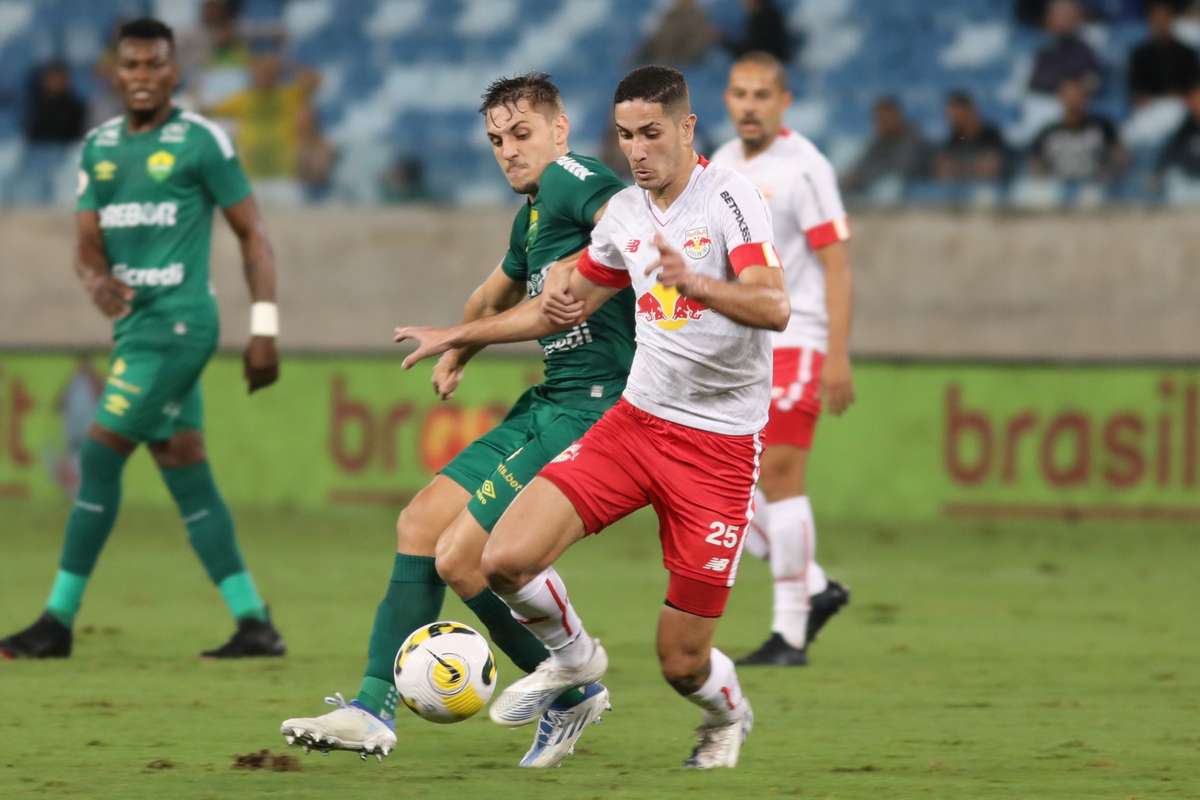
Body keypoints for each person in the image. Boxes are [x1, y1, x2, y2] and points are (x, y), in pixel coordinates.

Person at [394, 65, 789, 769]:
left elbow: (773, 306)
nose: (637, 151)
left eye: (652, 134)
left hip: (719, 451)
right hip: (637, 424)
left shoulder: (731, 198)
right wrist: (458, 337)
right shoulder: (630, 216)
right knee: (504, 558)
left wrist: (696, 282)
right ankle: (576, 662)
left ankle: (728, 716)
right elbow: (563, 303)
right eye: (627, 136)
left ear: (687, 129)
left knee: (681, 660)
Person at [279, 73, 635, 769]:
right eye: (496, 140)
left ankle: (569, 689)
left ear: (560, 129)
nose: (508, 150)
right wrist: (461, 344)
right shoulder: (532, 214)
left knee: (460, 557)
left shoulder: (572, 176)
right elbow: (492, 292)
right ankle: (372, 708)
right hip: (549, 401)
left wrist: (609, 267)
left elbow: (628, 214)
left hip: (598, 408)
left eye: (522, 133)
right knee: (420, 524)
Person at [0, 18, 284, 660]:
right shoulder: (98, 149)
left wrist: (263, 327)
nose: (142, 77)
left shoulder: (201, 141)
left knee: (99, 457)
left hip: (181, 325)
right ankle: (253, 622)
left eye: (155, 65)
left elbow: (253, 233)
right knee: (184, 465)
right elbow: (85, 246)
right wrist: (94, 279)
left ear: (174, 71)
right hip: (135, 330)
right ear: (115, 71)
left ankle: (57, 622)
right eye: (131, 65)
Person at [710, 51, 852, 667]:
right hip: (742, 346)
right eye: (740, 93)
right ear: (726, 99)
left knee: (782, 471)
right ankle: (816, 587)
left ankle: (789, 634)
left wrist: (837, 355)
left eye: (762, 94)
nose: (749, 105)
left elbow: (837, 265)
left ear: (783, 101)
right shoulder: (717, 163)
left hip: (799, 337)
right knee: (730, 482)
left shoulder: (806, 167)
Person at [1029, 78, 1126, 181]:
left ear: (1086, 99)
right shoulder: (1047, 132)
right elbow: (1035, 164)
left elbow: (1120, 158)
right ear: (1061, 98)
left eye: (1078, 96)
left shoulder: (1103, 127)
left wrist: (1111, 170)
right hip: (1057, 189)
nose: (1073, 101)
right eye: (1069, 96)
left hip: (1095, 187)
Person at [843, 95, 931, 194]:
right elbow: (862, 164)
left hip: (915, 194)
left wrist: (862, 178)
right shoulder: (879, 142)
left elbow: (900, 168)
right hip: (882, 192)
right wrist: (854, 177)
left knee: (890, 185)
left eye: (885, 119)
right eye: (878, 120)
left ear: (897, 117)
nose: (881, 124)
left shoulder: (913, 138)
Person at [1127, 0, 1200, 107]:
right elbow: (1136, 92)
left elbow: (1194, 88)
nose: (1160, 23)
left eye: (1164, 18)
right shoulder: (1139, 55)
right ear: (1150, 21)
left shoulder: (1186, 53)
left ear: (1171, 20)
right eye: (1156, 19)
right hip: (1152, 107)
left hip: (1182, 106)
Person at [1028, 0, 1102, 95]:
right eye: (1059, 14)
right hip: (1041, 101)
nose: (1064, 19)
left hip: (1071, 102)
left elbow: (1093, 80)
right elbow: (1033, 82)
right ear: (1049, 17)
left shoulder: (1084, 50)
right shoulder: (1037, 47)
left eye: (1068, 15)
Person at [935, 91, 1008, 184]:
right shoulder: (953, 140)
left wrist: (960, 168)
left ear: (969, 111)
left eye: (956, 114)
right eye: (950, 115)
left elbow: (992, 168)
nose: (951, 119)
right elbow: (944, 171)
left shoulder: (991, 136)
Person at [23, 61, 88, 144]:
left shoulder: (76, 107)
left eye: (59, 78)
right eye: (52, 78)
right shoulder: (33, 106)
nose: (55, 82)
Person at [1155, 81, 1200, 179]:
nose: (1195, 103)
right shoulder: (1187, 126)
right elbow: (1171, 151)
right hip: (1188, 178)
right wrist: (1159, 172)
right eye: (1193, 99)